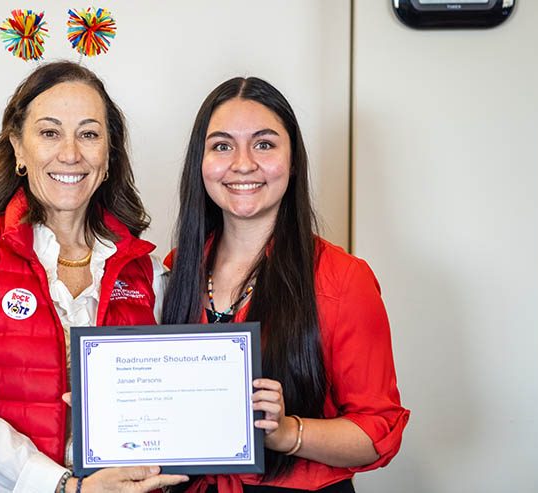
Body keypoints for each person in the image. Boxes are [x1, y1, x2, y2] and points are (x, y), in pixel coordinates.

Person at [0, 61, 188, 493]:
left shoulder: (149, 272)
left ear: (109, 152)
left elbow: (165, 408)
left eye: (89, 133)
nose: (70, 153)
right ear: (19, 149)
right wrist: (64, 487)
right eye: (49, 132)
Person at [162, 77, 410, 492]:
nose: (242, 163)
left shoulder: (343, 278)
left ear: (293, 161)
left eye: (264, 144)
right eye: (222, 145)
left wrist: (287, 433)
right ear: (199, 163)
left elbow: (377, 431)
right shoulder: (175, 269)